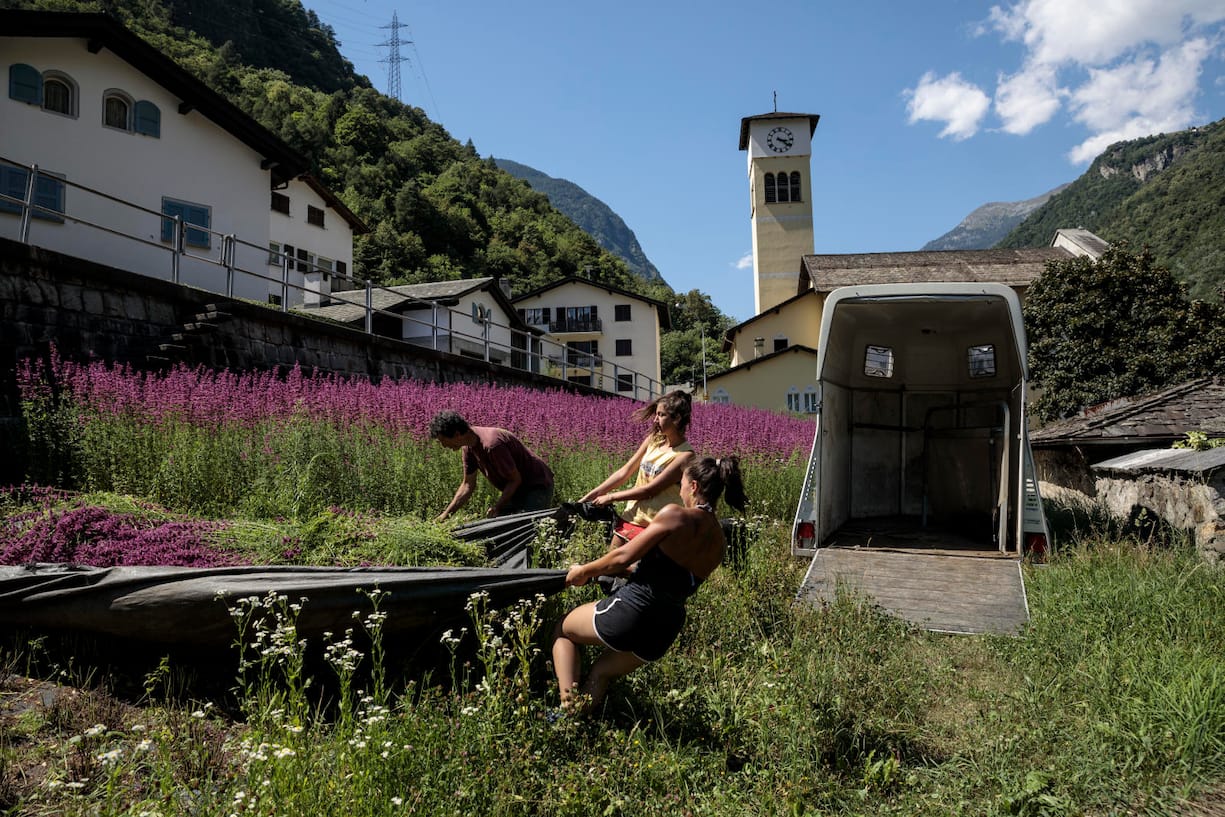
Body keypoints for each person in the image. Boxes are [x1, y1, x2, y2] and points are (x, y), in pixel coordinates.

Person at [552, 456, 747, 714]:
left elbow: (622, 555)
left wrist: (583, 571)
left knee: (563, 631)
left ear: (694, 487)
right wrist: (627, 570)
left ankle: (565, 710)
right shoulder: (719, 542)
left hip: (635, 609)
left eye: (682, 483)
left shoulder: (676, 515)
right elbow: (675, 578)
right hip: (666, 626)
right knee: (601, 671)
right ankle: (576, 720)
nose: (679, 489)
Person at [577, 390, 696, 550]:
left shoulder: (685, 456)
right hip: (632, 516)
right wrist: (592, 495)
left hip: (658, 525)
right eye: (656, 414)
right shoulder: (653, 441)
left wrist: (611, 497)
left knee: (640, 572)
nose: (655, 420)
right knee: (610, 568)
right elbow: (624, 472)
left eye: (661, 415)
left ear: (676, 419)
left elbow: (650, 490)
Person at [429, 411, 555, 522]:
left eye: (443, 440)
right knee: (501, 527)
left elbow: (515, 480)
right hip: (515, 489)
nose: (444, 446)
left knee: (527, 527)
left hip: (536, 485)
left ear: (456, 434)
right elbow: (467, 485)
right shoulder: (468, 448)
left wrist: (497, 507)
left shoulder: (492, 445)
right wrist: (444, 516)